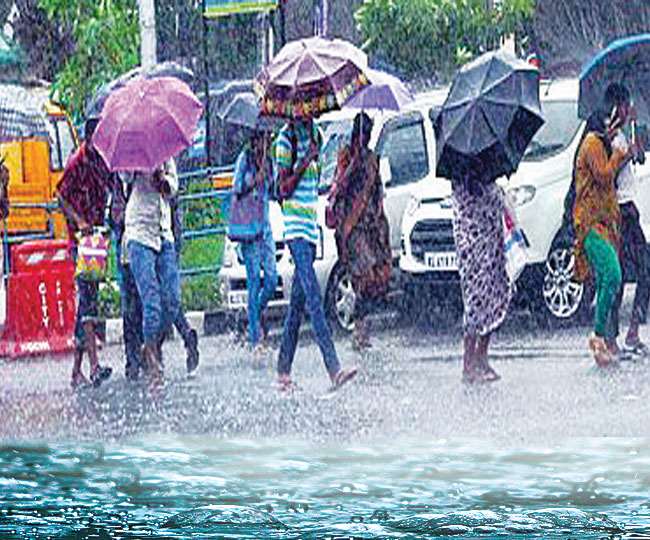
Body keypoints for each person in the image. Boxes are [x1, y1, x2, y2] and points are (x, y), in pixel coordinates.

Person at [274, 116, 357, 391]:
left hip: (311, 228)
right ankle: (333, 368)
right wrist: (303, 161)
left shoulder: (317, 135)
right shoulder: (286, 140)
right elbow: (283, 189)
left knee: (298, 303)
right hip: (295, 228)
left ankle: (283, 370)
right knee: (313, 296)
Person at [572, 102, 632, 367]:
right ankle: (598, 336)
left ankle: (603, 339)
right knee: (613, 274)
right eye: (609, 123)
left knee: (609, 279)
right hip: (591, 224)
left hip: (604, 223)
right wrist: (618, 154)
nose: (611, 129)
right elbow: (604, 174)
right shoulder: (592, 143)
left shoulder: (598, 143)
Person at [56, 118, 113, 389]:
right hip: (82, 240)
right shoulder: (78, 160)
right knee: (88, 299)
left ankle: (76, 371)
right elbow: (61, 196)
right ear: (90, 138)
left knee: (88, 301)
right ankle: (94, 366)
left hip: (97, 237)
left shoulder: (102, 161)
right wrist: (78, 221)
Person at [329, 112, 391, 350]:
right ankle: (359, 329)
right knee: (360, 275)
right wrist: (352, 166)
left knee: (375, 277)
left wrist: (379, 223)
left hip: (370, 226)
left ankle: (362, 329)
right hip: (351, 229)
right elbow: (339, 188)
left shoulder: (372, 159)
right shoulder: (346, 156)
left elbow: (377, 192)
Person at [451, 168, 512, 383]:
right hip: (474, 251)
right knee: (476, 303)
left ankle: (482, 357)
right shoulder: (462, 183)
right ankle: (469, 363)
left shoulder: (487, 176)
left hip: (492, 246)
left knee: (494, 298)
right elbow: (470, 213)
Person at [123, 159, 182, 379]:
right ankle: (152, 358)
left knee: (172, 300)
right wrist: (140, 167)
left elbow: (171, 190)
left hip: (163, 231)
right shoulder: (131, 155)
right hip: (139, 232)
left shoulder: (167, 158)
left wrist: (162, 179)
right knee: (151, 302)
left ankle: (151, 345)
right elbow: (125, 179)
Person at [602, 84, 649, 357]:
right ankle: (611, 337)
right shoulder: (605, 137)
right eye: (625, 104)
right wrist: (625, 154)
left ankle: (633, 330)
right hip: (617, 212)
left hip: (630, 210)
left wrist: (637, 150)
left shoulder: (623, 134)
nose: (629, 108)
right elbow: (607, 173)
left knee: (644, 269)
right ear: (616, 105)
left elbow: (635, 161)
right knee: (616, 275)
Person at [232, 129, 278, 352]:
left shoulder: (269, 160)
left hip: (266, 228)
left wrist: (269, 174)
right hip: (250, 229)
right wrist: (253, 181)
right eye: (260, 139)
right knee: (253, 282)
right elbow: (236, 188)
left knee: (271, 279)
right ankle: (254, 337)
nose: (263, 143)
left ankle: (253, 316)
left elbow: (275, 189)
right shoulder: (245, 160)